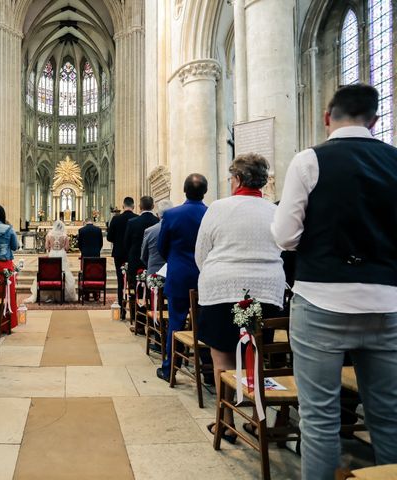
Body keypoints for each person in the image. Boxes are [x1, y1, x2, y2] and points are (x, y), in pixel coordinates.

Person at [272, 84, 397, 480]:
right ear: (374, 120)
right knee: (390, 416)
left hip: (321, 299)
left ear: (328, 117)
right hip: (387, 303)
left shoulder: (309, 161)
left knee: (320, 419)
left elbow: (285, 237)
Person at [195, 154, 285, 442]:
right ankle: (255, 419)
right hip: (265, 292)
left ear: (236, 179)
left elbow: (201, 253)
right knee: (254, 355)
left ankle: (226, 420)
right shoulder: (274, 211)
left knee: (222, 357)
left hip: (222, 290)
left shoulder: (219, 208)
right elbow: (284, 247)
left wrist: (220, 271)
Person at [155, 175, 209, 381]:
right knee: (205, 322)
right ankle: (209, 371)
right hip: (205, 276)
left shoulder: (172, 215)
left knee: (176, 322)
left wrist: (175, 259)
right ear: (204, 192)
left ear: (184, 191)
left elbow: (162, 247)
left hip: (178, 275)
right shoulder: (211, 213)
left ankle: (170, 370)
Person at [124, 196, 159, 333]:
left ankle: (139, 324)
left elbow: (126, 243)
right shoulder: (158, 221)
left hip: (136, 262)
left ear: (139, 206)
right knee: (153, 293)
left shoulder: (133, 222)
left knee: (136, 292)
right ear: (153, 206)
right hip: (154, 263)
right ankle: (153, 324)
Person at [25, 220, 78, 303]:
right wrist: (61, 247)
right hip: (61, 255)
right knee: (63, 273)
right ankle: (62, 295)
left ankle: (50, 294)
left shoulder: (49, 235)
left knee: (51, 273)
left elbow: (46, 246)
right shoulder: (65, 236)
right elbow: (67, 248)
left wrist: (51, 248)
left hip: (52, 254)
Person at [0, 204, 20, 331]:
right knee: (7, 293)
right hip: (4, 264)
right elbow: (15, 246)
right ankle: (6, 324)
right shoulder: (9, 229)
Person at [106, 197, 138, 318]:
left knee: (121, 281)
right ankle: (135, 311)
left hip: (119, 254)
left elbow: (109, 237)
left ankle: (122, 310)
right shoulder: (137, 218)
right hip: (133, 254)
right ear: (133, 206)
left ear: (123, 206)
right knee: (134, 281)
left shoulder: (116, 219)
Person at [141, 199, 174, 275]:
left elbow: (143, 256)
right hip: (172, 271)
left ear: (158, 214)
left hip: (154, 272)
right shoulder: (178, 230)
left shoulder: (149, 231)